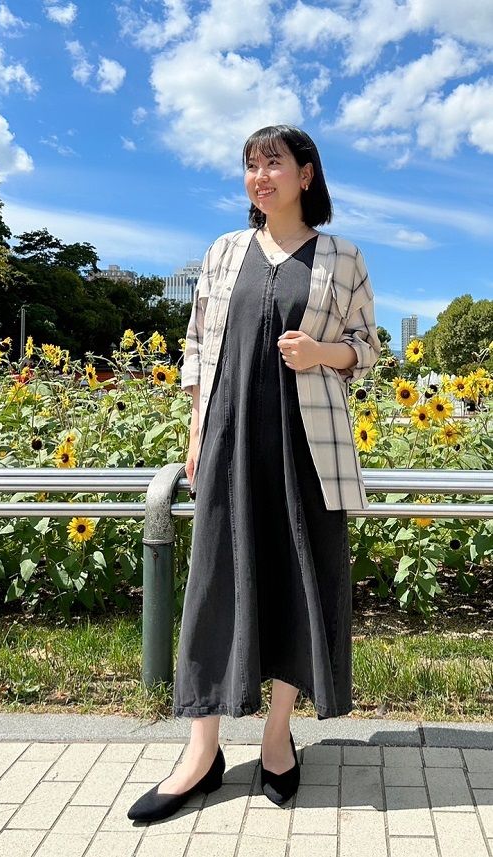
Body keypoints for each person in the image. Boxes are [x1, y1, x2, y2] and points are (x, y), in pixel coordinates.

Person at [128, 124, 381, 823]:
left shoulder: (342, 256)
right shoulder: (223, 252)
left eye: (273, 162)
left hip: (309, 449)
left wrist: (323, 353)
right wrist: (195, 434)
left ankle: (276, 738)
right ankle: (200, 751)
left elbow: (367, 348)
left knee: (300, 580)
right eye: (250, 165)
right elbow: (196, 347)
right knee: (214, 582)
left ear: (306, 174)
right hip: (229, 440)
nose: (259, 175)